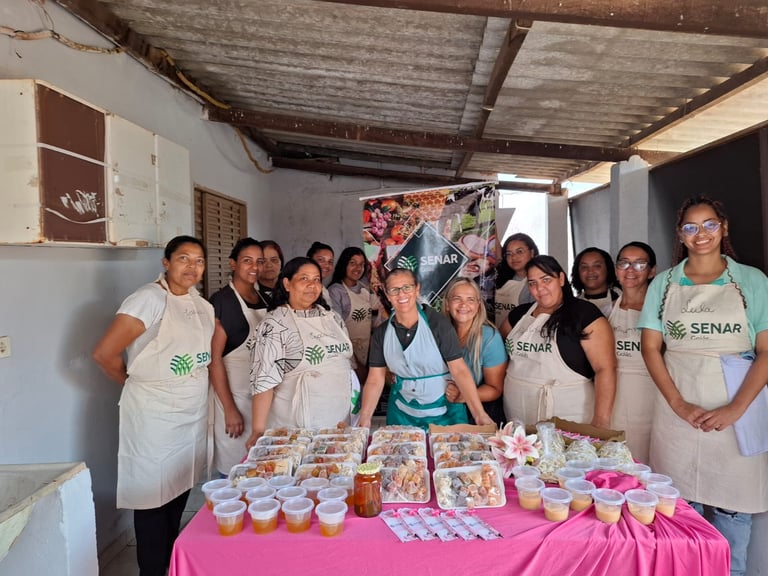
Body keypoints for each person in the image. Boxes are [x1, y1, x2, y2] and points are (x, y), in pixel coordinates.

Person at [638, 196, 768, 576]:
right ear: (681, 234)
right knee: (679, 511)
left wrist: (734, 409)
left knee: (732, 512)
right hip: (678, 409)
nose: (701, 234)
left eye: (710, 224)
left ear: (723, 227)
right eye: (691, 227)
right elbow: (650, 347)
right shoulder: (663, 284)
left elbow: (765, 351)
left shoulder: (752, 280)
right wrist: (678, 404)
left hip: (737, 408)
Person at [92, 236, 214, 576]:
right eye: (183, 259)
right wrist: (137, 385)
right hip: (154, 414)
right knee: (151, 498)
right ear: (166, 262)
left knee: (178, 489)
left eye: (199, 261)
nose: (192, 267)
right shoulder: (148, 299)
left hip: (190, 413)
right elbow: (104, 354)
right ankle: (152, 569)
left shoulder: (200, 304)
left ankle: (170, 565)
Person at [357, 268, 494, 430]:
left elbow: (459, 370)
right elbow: (375, 379)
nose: (401, 294)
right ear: (387, 295)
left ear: (417, 289)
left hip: (444, 412)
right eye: (394, 290)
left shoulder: (439, 325)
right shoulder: (382, 333)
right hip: (403, 412)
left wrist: (479, 413)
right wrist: (364, 418)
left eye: (407, 287)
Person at [246, 257, 354, 448]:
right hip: (299, 425)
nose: (312, 285)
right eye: (304, 279)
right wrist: (258, 430)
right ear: (287, 283)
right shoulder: (274, 325)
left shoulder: (332, 318)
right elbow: (264, 381)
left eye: (317, 279)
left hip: (339, 416)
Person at [501, 255, 616, 427]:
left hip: (568, 413)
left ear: (561, 279)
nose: (540, 288)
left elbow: (605, 368)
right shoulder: (518, 315)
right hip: (516, 411)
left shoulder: (584, 315)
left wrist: (601, 419)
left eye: (546, 280)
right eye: (533, 283)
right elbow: (495, 349)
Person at [208, 238, 268, 476]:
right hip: (233, 398)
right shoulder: (221, 302)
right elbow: (214, 360)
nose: (254, 267)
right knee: (235, 470)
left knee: (260, 468)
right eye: (247, 261)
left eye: (259, 261)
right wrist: (230, 408)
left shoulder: (263, 298)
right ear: (233, 264)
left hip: (260, 396)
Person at [608, 241, 658, 464]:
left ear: (652, 271)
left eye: (639, 264)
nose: (630, 270)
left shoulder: (662, 309)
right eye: (624, 263)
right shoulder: (607, 309)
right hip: (612, 395)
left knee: (648, 462)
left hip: (649, 395)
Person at [443, 277, 507, 425]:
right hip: (440, 413)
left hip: (474, 416)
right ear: (447, 304)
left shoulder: (490, 338)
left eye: (470, 299)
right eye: (457, 299)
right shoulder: (439, 333)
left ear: (478, 305)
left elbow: (495, 388)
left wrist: (464, 395)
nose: (463, 305)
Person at [328, 246, 383, 385]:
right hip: (347, 357)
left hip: (367, 353)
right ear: (344, 264)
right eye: (352, 263)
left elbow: (377, 317)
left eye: (361, 264)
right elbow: (337, 332)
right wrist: (356, 365)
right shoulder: (336, 291)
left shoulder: (364, 288)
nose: (358, 268)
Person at [494, 233, 538, 327]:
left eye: (519, 251)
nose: (514, 257)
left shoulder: (537, 284)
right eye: (509, 254)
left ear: (532, 252)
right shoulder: (500, 276)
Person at [571, 247, 620, 316]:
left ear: (608, 269)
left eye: (597, 266)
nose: (590, 271)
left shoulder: (622, 300)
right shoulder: (571, 307)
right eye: (584, 267)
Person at [256, 240, 284, 307]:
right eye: (263, 261)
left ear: (281, 263)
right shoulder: (249, 293)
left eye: (274, 260)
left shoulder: (291, 287)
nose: (269, 265)